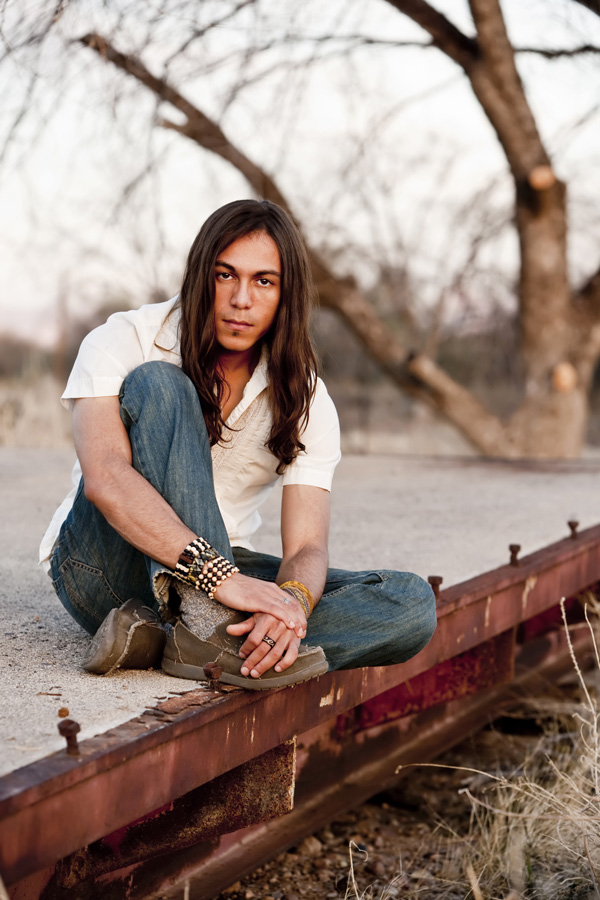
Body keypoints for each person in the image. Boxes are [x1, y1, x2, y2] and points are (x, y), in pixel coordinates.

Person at [40, 199, 436, 689]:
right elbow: (106, 479)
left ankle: (176, 639)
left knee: (409, 602)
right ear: (200, 275)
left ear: (286, 294)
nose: (241, 299)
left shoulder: (306, 396)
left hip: (231, 568)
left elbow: (308, 546)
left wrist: (289, 603)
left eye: (264, 281)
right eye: (225, 275)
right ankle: (215, 636)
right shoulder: (125, 338)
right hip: (106, 560)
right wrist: (224, 583)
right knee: (159, 385)